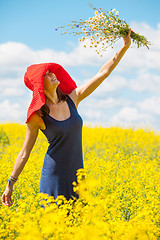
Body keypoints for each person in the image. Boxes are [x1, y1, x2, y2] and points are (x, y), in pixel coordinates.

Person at [1, 29, 131, 207]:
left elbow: (102, 73)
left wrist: (124, 47)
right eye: (46, 74)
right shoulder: (38, 116)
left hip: (78, 177)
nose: (52, 74)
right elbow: (24, 153)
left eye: (51, 71)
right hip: (53, 178)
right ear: (40, 84)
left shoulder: (73, 98)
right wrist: (10, 184)